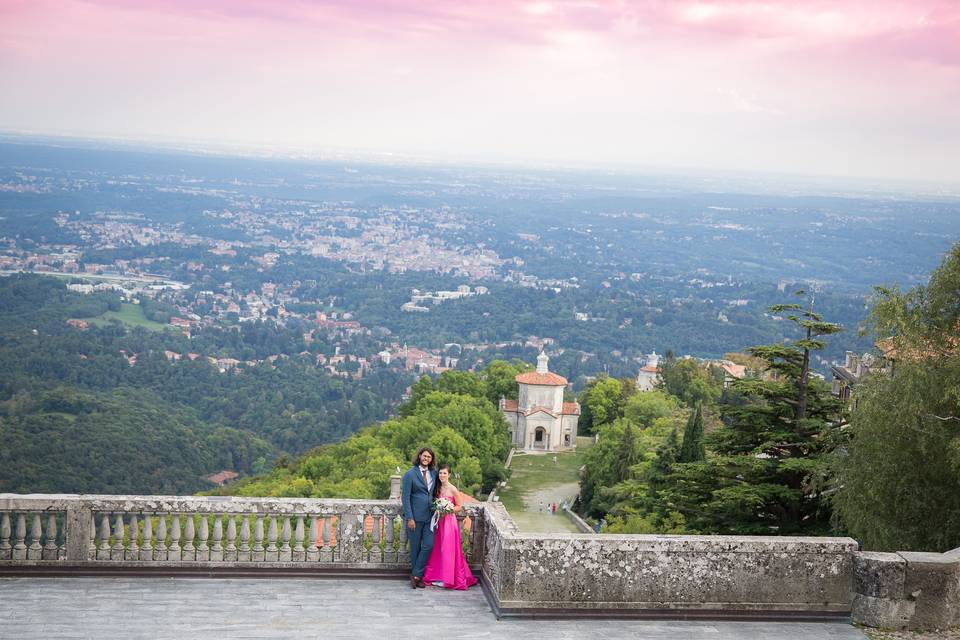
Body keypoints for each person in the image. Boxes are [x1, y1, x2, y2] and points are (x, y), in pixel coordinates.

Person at [422, 464, 478, 590]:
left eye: (444, 473)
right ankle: (438, 576)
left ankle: (448, 579)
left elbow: (459, 506)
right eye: (440, 473)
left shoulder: (453, 489)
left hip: (448, 522)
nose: (442, 475)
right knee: (437, 548)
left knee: (447, 550)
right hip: (437, 522)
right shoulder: (436, 487)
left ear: (449, 475)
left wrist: (448, 509)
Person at [401, 447, 438, 589]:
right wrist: (410, 518)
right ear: (419, 456)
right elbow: (405, 497)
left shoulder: (434, 474)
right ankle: (418, 578)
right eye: (424, 456)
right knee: (415, 548)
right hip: (415, 518)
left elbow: (436, 492)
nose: (426, 459)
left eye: (429, 457)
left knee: (429, 545)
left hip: (430, 517)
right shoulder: (410, 474)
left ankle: (416, 574)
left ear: (431, 459)